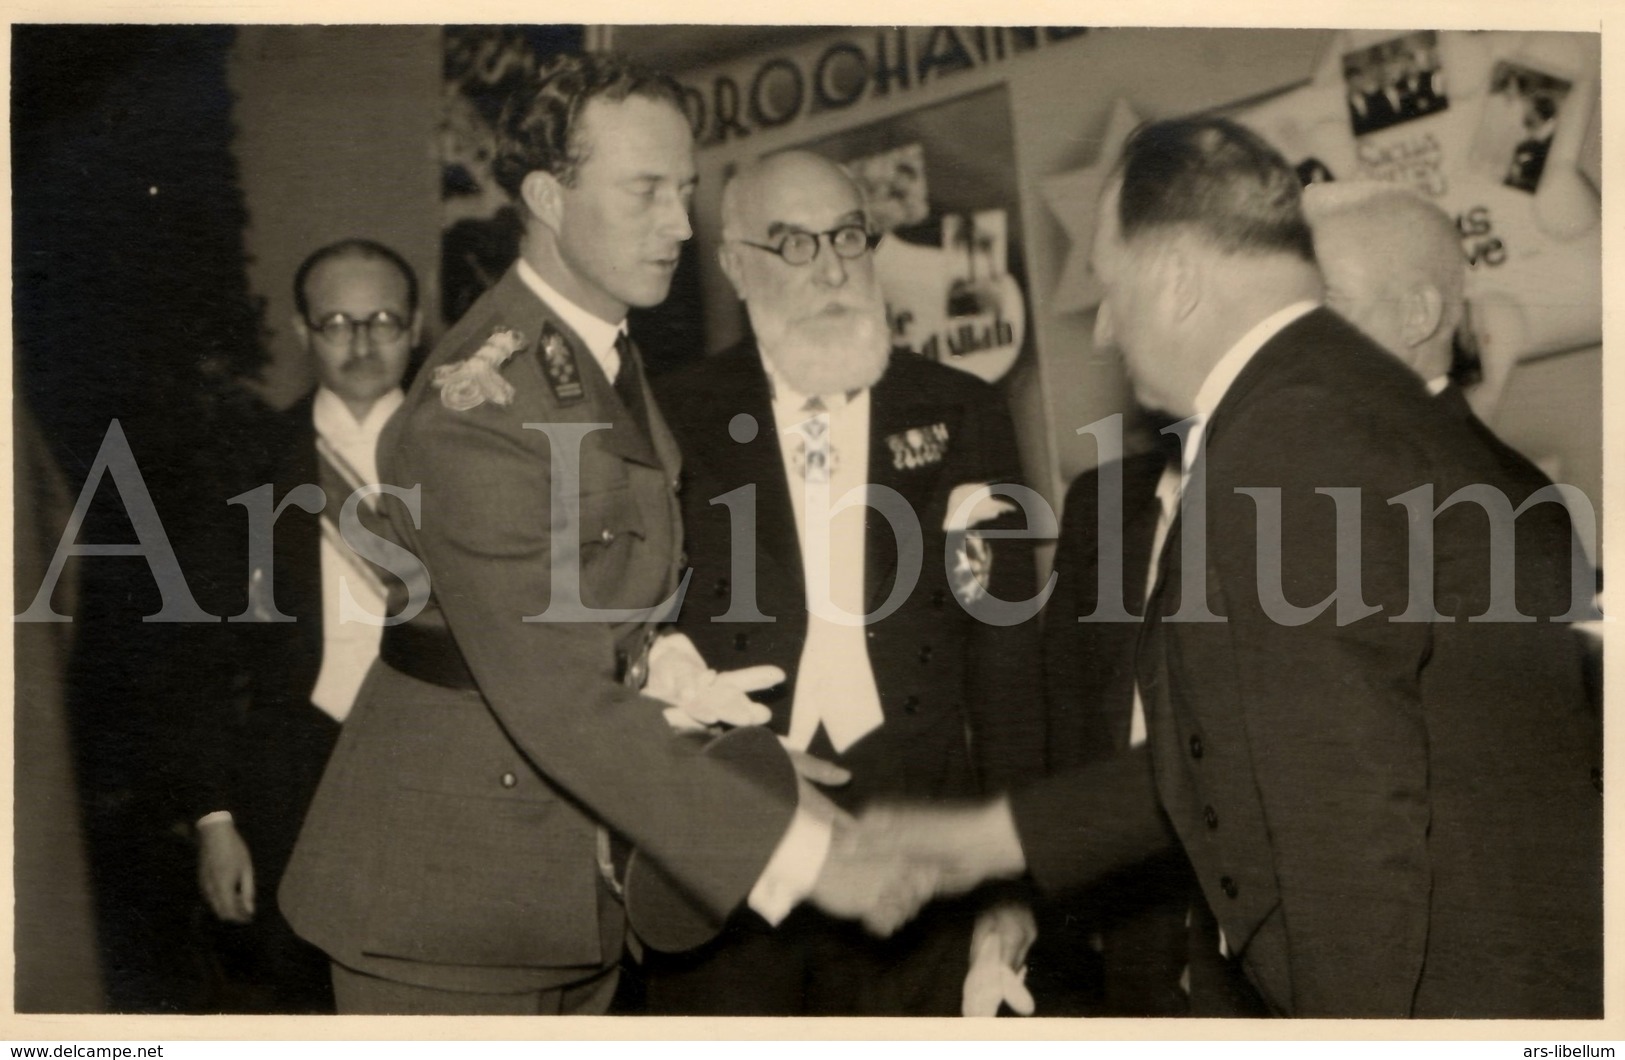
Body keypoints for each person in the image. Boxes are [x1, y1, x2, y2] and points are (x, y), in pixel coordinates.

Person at [864, 117, 1601, 1018]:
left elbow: (1345, 819)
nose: (1102, 328)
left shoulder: (1286, 438)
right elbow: (1253, 740)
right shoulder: (1329, 400)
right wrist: (992, 837)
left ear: (1174, 280)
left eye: (1110, 284)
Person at [278, 53, 928, 1016]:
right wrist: (793, 850)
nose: (680, 224)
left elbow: (607, 607)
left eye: (688, 191)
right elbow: (556, 697)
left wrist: (699, 713)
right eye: (646, 193)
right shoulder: (482, 404)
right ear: (547, 195)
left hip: (560, 887)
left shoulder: (598, 355)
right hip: (443, 906)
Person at [642, 151, 1045, 1016]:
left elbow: (1005, 657)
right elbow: (626, 643)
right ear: (734, 263)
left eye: (848, 236)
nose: (830, 267)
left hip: (920, 845)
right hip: (740, 841)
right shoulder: (667, 417)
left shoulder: (959, 410)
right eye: (791, 243)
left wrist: (1012, 873)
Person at [192, 239, 421, 1012]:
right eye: (335, 322)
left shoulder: (474, 453)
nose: (360, 343)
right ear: (301, 332)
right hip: (293, 779)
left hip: (444, 767)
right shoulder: (245, 464)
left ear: (417, 326)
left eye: (383, 319)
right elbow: (202, 656)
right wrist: (216, 819)